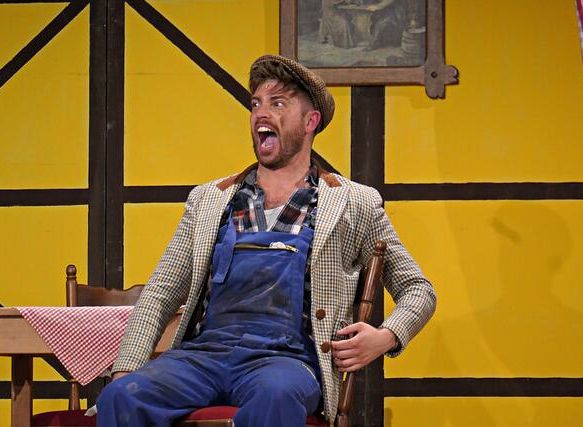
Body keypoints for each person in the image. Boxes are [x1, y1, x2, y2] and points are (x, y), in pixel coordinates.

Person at [96, 54, 436, 427]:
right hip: (205, 355)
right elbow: (161, 292)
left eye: (278, 104)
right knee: (120, 397)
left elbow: (418, 289)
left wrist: (386, 336)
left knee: (276, 398)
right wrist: (126, 368)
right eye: (256, 103)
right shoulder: (210, 199)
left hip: (285, 362)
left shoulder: (353, 203)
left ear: (310, 122)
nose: (261, 113)